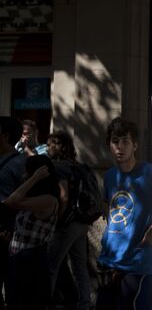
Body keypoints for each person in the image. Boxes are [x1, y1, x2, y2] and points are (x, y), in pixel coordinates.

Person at [95, 117, 152, 310]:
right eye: (115, 142)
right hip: (110, 259)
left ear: (135, 145)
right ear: (109, 145)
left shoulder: (151, 172)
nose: (120, 147)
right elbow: (109, 208)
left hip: (137, 262)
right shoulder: (110, 175)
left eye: (125, 142)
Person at [4, 155, 60, 310]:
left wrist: (34, 178)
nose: (24, 176)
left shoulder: (48, 200)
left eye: (27, 172)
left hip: (31, 262)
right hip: (18, 259)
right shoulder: (35, 198)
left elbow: (11, 201)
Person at [46, 131, 91, 310]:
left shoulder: (59, 167)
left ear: (60, 146)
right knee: (80, 266)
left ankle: (44, 303)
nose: (48, 147)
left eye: (51, 144)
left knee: (51, 265)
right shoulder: (79, 166)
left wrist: (57, 219)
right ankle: (84, 304)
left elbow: (63, 196)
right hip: (82, 222)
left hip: (67, 223)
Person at [0, 117, 27, 310]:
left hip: (7, 236)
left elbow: (28, 202)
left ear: (5, 136)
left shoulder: (19, 164)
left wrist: (12, 229)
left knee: (12, 289)